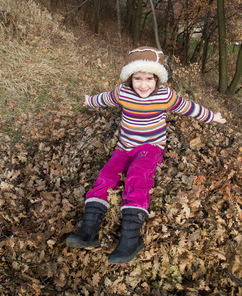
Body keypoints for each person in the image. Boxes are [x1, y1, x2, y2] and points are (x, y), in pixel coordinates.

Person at [66, 46, 226, 264]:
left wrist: (212, 116)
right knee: (106, 175)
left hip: (151, 146)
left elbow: (188, 107)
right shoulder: (122, 93)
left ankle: (130, 240)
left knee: (138, 177)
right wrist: (89, 101)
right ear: (129, 79)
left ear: (157, 79)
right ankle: (88, 232)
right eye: (137, 78)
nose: (143, 85)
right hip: (125, 146)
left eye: (149, 78)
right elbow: (104, 98)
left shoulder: (165, 96)